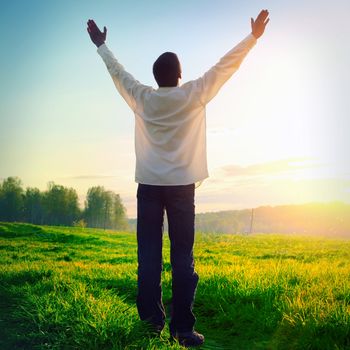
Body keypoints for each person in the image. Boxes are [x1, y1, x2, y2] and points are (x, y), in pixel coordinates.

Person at [87, 9, 269, 348]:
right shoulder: (193, 94)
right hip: (183, 190)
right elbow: (225, 66)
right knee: (183, 257)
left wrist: (101, 46)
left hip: (150, 188)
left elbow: (118, 73)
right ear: (180, 76)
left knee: (149, 257)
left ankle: (151, 326)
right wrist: (253, 38)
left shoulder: (142, 98)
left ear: (157, 78)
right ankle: (183, 330)